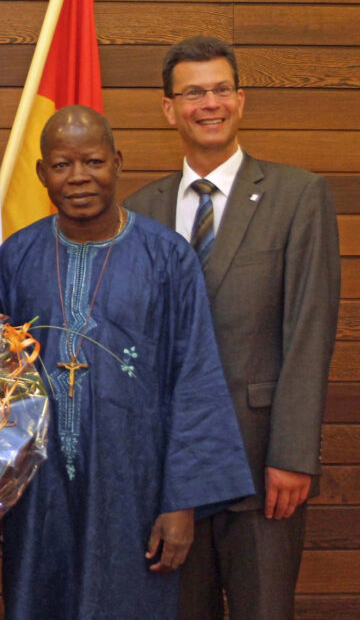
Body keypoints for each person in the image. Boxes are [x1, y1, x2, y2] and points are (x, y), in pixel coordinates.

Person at [0, 105, 254, 618]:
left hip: (133, 488)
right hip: (37, 494)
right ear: (42, 173)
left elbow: (194, 378)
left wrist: (181, 502)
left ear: (117, 162)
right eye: (62, 165)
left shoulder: (167, 257)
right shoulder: (16, 257)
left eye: (92, 161)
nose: (79, 177)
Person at [125, 35, 341, 619]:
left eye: (221, 89)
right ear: (169, 109)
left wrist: (294, 453)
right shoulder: (139, 212)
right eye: (193, 93)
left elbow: (310, 331)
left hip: (262, 465)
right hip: (172, 478)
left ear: (241, 101)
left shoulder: (299, 196)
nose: (209, 103)